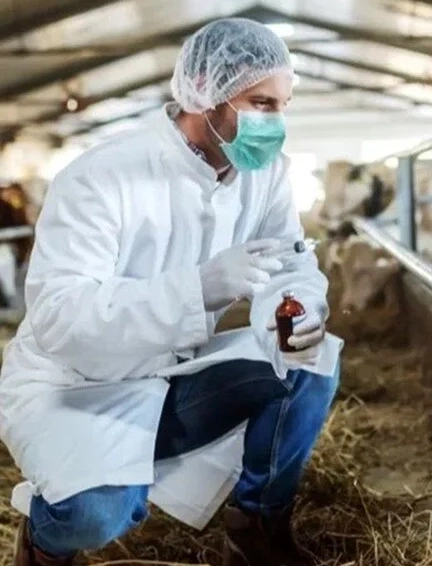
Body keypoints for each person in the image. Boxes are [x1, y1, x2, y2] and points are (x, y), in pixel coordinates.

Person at [0, 17, 344, 566]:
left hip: (173, 373)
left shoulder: (268, 174)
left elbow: (288, 263)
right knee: (97, 514)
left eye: (282, 105)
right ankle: (43, 542)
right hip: (74, 387)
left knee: (311, 362)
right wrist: (195, 290)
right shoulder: (101, 177)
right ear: (205, 94)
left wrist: (298, 309)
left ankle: (255, 528)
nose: (276, 123)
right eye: (262, 103)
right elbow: (61, 319)